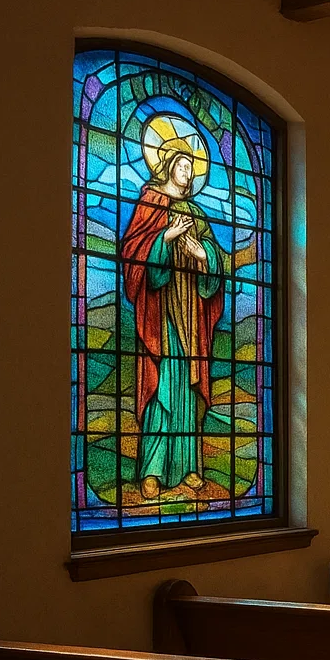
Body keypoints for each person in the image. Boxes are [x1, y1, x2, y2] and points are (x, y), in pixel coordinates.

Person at [122, 126, 225, 501]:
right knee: (164, 383)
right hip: (162, 311)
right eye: (183, 165)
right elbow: (133, 251)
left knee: (187, 388)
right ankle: (151, 469)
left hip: (192, 314)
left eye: (192, 168)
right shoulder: (150, 201)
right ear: (167, 166)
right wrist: (164, 240)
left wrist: (204, 257)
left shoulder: (196, 212)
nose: (189, 172)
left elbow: (216, 261)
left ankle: (188, 466)